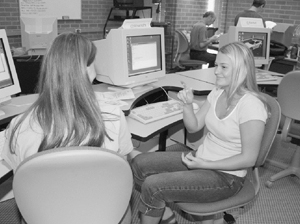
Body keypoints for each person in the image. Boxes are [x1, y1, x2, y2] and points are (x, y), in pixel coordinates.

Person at [131, 42, 269, 224]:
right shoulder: (218, 92)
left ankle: (162, 204)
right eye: (216, 65)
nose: (216, 71)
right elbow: (194, 127)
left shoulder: (251, 106)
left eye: (223, 67)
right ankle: (164, 213)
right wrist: (187, 105)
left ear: (241, 70)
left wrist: (205, 164)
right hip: (201, 158)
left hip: (227, 176)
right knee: (139, 163)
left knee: (153, 186)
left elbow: (249, 159)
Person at [2, 32, 138, 171]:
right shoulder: (114, 116)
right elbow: (123, 168)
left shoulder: (18, 126)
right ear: (87, 70)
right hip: (103, 192)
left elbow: (20, 174)